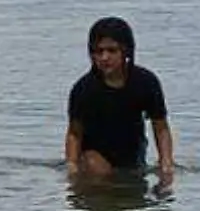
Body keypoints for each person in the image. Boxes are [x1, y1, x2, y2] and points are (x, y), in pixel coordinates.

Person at [65, 16, 176, 181]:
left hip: (132, 155)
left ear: (126, 51)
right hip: (93, 155)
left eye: (112, 50)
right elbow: (74, 133)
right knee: (97, 169)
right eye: (98, 51)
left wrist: (166, 162)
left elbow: (160, 126)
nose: (104, 58)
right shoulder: (84, 89)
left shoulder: (146, 83)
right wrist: (72, 166)